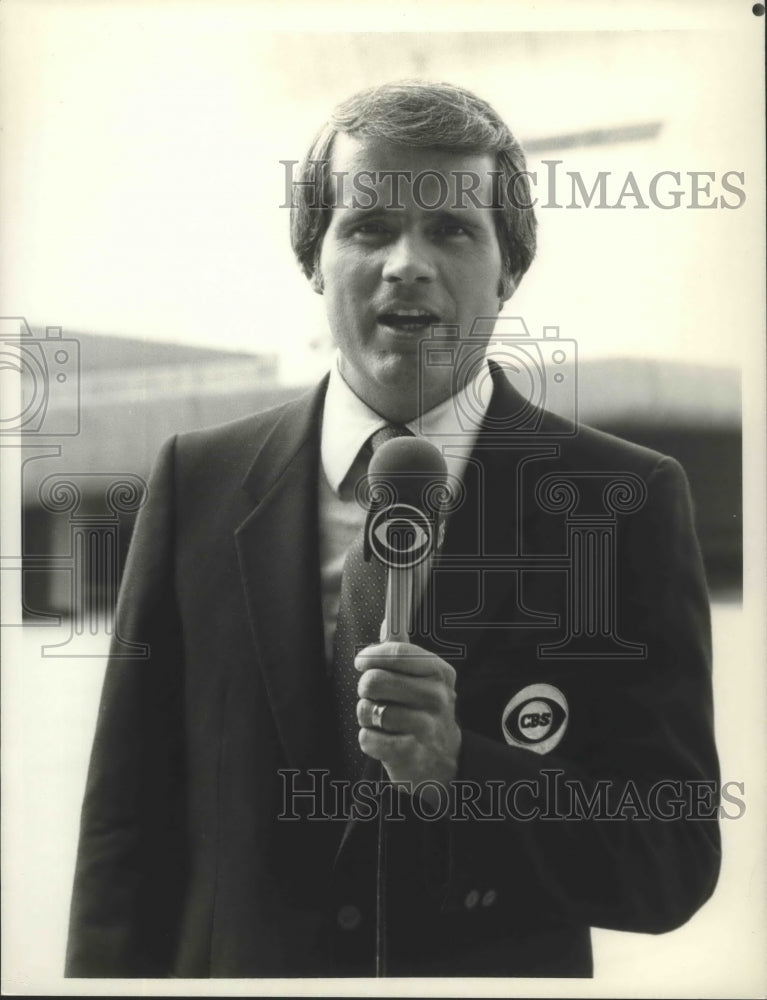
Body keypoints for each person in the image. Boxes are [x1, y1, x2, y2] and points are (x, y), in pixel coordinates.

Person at [65, 80, 721, 979]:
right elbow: (123, 835)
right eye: (368, 227)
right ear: (313, 261)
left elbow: (671, 862)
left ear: (509, 268)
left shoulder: (623, 501)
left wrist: (461, 770)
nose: (406, 263)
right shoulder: (197, 483)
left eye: (452, 229)